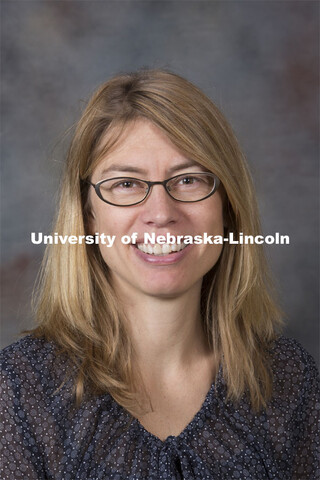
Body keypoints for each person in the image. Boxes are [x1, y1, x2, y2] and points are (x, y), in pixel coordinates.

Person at [1, 69, 319, 480]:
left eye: (188, 180)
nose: (161, 214)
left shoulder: (293, 384)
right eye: (126, 184)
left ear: (228, 208)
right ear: (87, 216)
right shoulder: (18, 395)